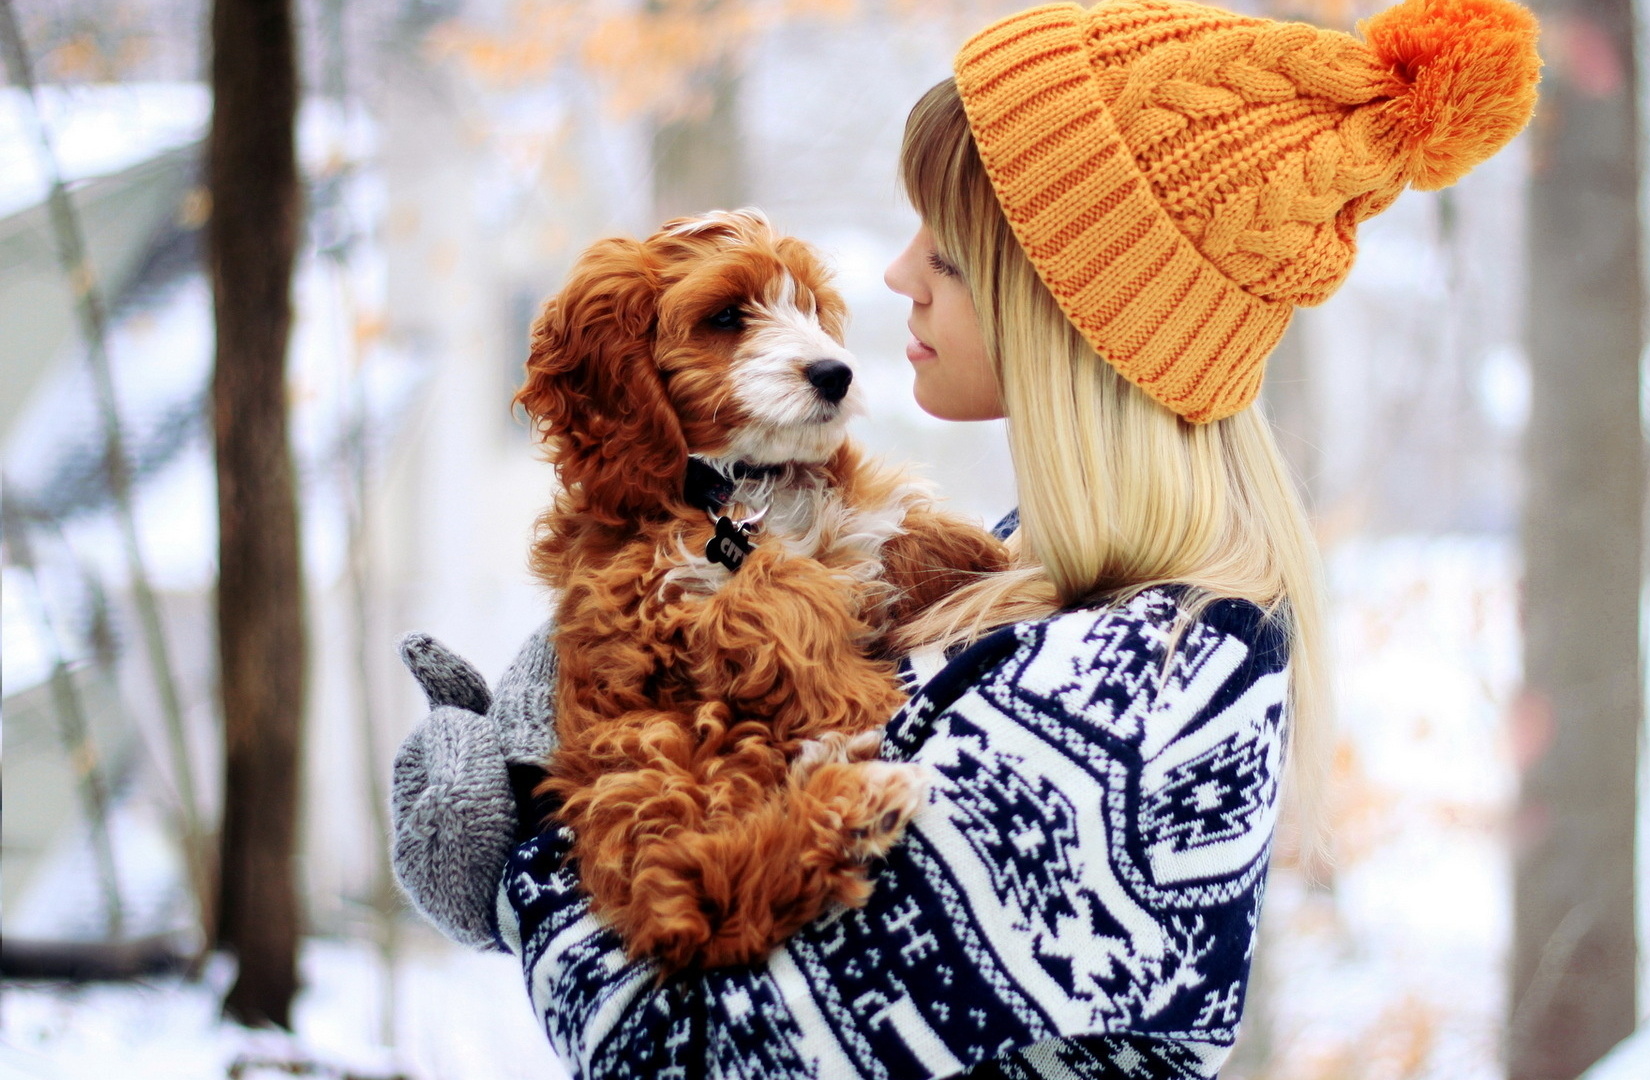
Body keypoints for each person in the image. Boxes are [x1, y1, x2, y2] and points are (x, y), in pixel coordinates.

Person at [389, 0, 1540, 1076]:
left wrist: (532, 832)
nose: (896, 278)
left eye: (946, 246)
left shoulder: (1134, 708)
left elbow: (676, 1051)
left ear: (1073, 308)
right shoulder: (1015, 581)